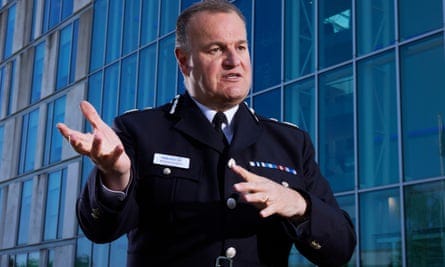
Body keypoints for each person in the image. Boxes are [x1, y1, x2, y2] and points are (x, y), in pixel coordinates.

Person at [57, 0, 356, 266]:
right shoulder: (140, 130)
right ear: (184, 60)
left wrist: (298, 204)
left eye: (241, 47)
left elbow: (340, 249)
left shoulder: (290, 142)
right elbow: (98, 230)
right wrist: (115, 177)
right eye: (216, 49)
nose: (234, 60)